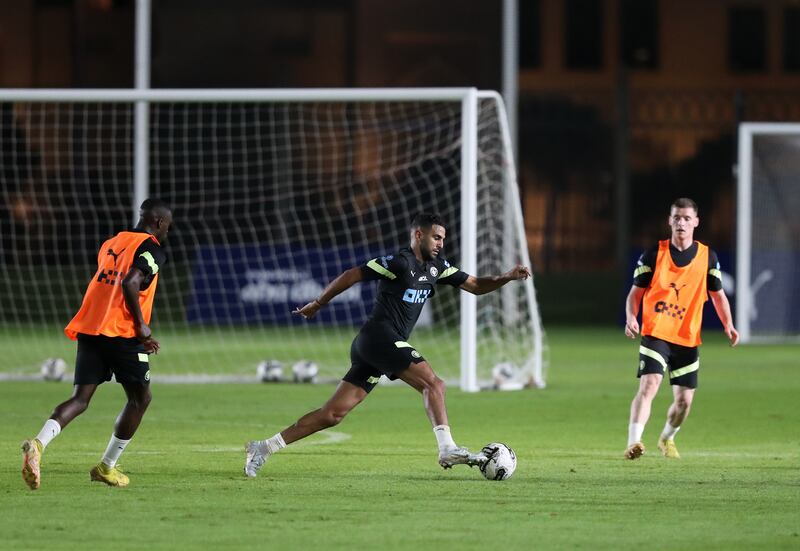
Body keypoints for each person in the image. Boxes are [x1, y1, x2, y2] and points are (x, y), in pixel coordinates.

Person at [244, 212, 531, 477]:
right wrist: (318, 304)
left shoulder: (437, 269)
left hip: (377, 349)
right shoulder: (398, 263)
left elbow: (476, 285)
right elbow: (351, 275)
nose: (440, 244)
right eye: (436, 237)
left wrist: (505, 277)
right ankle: (447, 448)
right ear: (419, 235)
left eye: (443, 238)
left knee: (332, 415)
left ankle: (263, 447)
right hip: (378, 338)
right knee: (434, 384)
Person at [21, 198, 172, 489]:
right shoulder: (153, 248)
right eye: (168, 226)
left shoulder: (112, 242)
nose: (167, 231)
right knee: (141, 399)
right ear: (159, 222)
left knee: (80, 399)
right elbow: (130, 282)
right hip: (122, 333)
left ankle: (38, 446)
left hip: (91, 328)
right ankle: (106, 467)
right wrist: (141, 328)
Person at [623, 197, 738, 460]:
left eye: (687, 218)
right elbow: (635, 294)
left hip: (687, 338)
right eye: (677, 217)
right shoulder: (653, 254)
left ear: (696, 222)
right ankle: (633, 442)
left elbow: (718, 295)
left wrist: (728, 325)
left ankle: (667, 438)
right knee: (649, 384)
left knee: (684, 402)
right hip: (656, 332)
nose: (681, 223)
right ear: (669, 221)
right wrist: (632, 316)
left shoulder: (708, 257)